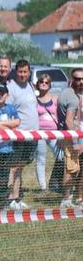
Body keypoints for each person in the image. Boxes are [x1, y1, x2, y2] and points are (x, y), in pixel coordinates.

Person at [5, 59, 38, 209]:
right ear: (15, 71)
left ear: (29, 72)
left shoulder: (31, 85)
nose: (23, 74)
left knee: (20, 167)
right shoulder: (11, 88)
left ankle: (17, 198)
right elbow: (8, 112)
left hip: (33, 135)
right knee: (13, 167)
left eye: (25, 72)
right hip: (18, 135)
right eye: (20, 71)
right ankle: (10, 198)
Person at [0, 84, 22, 210]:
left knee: (4, 177)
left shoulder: (11, 108)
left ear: (7, 95)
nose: (0, 95)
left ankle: (2, 203)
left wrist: (2, 123)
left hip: (8, 149)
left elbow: (17, 122)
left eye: (2, 93)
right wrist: (10, 128)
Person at [57, 68, 83, 209]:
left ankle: (71, 197)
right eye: (77, 79)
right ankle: (66, 200)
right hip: (71, 137)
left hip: (68, 135)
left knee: (73, 168)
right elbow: (68, 121)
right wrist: (76, 142)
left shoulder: (66, 92)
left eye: (82, 79)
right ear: (71, 79)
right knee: (71, 169)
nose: (80, 82)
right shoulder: (72, 97)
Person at [34, 73, 63, 193]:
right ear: (38, 84)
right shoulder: (34, 100)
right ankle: (43, 187)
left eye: (46, 82)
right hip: (39, 133)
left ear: (50, 85)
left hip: (54, 132)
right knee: (41, 159)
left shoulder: (56, 98)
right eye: (42, 82)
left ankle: (56, 182)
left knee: (61, 157)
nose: (44, 84)